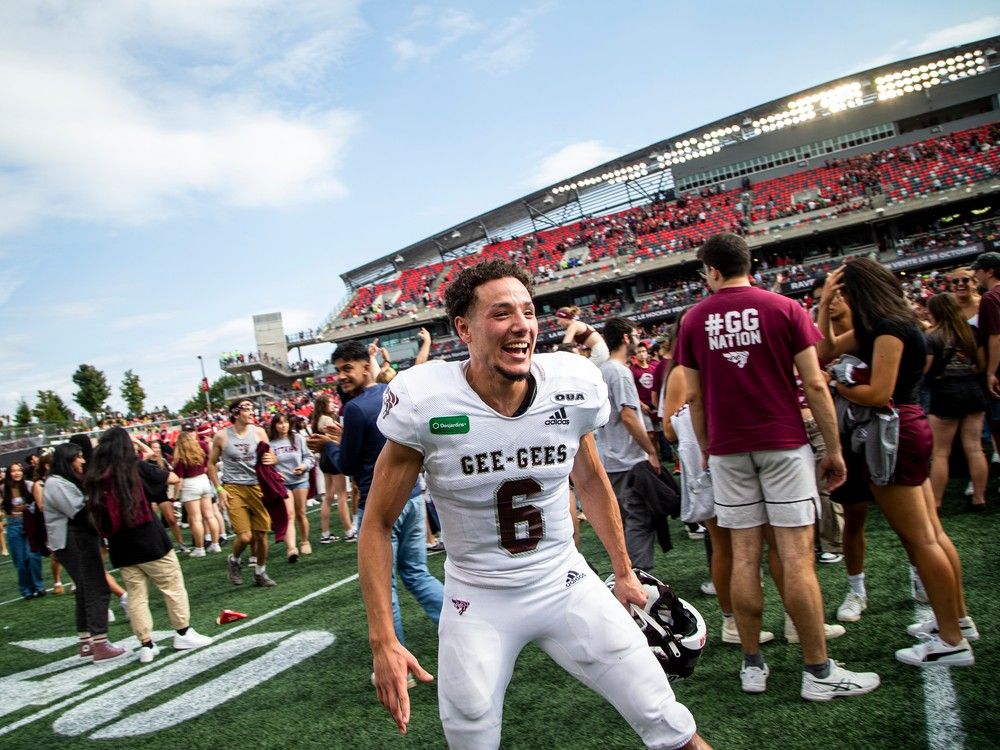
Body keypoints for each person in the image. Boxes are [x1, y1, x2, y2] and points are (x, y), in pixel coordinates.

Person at [360, 259, 710, 749]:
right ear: (464, 329)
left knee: (669, 721)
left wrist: (623, 571)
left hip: (564, 581)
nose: (522, 324)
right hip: (477, 596)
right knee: (470, 733)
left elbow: (591, 479)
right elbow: (376, 524)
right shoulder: (427, 401)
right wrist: (383, 639)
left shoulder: (568, 386)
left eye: (527, 311)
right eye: (501, 313)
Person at [677, 233, 878, 699]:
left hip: (728, 449)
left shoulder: (694, 319)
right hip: (783, 443)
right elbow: (815, 383)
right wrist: (833, 448)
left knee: (744, 557)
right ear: (749, 264)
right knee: (795, 558)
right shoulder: (785, 308)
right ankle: (818, 672)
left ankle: (752, 666)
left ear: (712, 271)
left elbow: (693, 397)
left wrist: (707, 448)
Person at [817, 259, 976, 667]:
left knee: (922, 540)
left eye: (845, 292)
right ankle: (956, 620)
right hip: (905, 427)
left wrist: (838, 383)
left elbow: (877, 393)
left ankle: (952, 640)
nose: (841, 299)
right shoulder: (887, 323)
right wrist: (824, 304)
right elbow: (824, 349)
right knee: (931, 534)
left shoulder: (889, 328)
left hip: (894, 432)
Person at [308, 339, 443, 657]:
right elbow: (379, 442)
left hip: (378, 506)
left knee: (383, 588)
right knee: (417, 573)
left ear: (366, 367)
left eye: (347, 369)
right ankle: (462, 629)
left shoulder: (354, 409)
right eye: (338, 370)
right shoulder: (391, 392)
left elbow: (348, 465)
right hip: (412, 498)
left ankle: (395, 659)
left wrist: (327, 446)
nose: (341, 376)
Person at [85, 427, 212, 663]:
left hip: (119, 544)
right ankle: (183, 633)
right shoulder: (135, 467)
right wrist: (144, 452)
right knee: (172, 586)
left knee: (136, 596)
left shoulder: (95, 476)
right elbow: (172, 478)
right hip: (148, 538)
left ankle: (146, 644)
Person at [44, 443, 126, 662]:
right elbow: (80, 513)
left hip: (75, 540)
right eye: (78, 457)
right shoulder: (56, 483)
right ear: (67, 460)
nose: (82, 461)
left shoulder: (60, 481)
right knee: (96, 588)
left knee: (84, 590)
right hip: (73, 540)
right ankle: (100, 643)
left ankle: (87, 643)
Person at [596, 316, 663, 574]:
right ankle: (642, 576)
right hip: (627, 459)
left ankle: (629, 573)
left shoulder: (602, 370)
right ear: (625, 337)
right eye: (635, 335)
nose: (637, 340)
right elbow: (628, 416)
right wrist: (651, 450)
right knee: (639, 518)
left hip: (610, 456)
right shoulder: (620, 372)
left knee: (623, 520)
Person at [924, 293, 988, 510]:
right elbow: (981, 365)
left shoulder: (932, 336)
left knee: (940, 452)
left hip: (945, 393)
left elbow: (925, 369)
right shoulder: (971, 332)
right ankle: (979, 498)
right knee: (975, 448)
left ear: (935, 312)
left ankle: (936, 502)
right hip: (972, 390)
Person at [207, 400, 279, 588]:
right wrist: (219, 490)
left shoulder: (259, 432)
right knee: (245, 536)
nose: (251, 412)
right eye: (247, 409)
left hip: (257, 486)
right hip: (233, 488)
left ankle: (260, 573)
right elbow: (211, 465)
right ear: (236, 414)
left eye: (252, 409)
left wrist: (272, 459)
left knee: (261, 535)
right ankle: (234, 560)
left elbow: (272, 457)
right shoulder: (222, 436)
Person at [268, 413, 316, 561]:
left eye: (285, 422)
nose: (283, 426)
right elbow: (268, 465)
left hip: (300, 480)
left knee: (301, 513)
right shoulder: (271, 444)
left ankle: (305, 541)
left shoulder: (298, 438)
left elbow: (310, 457)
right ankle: (291, 548)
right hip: (283, 483)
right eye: (279, 423)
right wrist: (276, 474)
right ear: (274, 426)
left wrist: (303, 466)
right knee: (289, 514)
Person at [172, 430, 223, 556]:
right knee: (210, 516)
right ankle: (215, 544)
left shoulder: (180, 459)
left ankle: (199, 549)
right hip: (204, 481)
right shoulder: (200, 452)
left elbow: (179, 480)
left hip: (190, 484)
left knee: (196, 519)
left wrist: (175, 497)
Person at [2, 462, 46, 598]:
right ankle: (26, 590)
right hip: (13, 525)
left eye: (19, 470)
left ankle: (39, 587)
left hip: (29, 523)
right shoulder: (3, 488)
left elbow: (39, 504)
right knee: (20, 561)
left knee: (33, 556)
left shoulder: (29, 485)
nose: (17, 473)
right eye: (13, 471)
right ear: (9, 474)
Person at [312, 393, 352, 543]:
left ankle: (325, 534)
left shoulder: (317, 419)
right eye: (330, 402)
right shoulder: (327, 419)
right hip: (332, 456)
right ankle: (349, 531)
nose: (333, 404)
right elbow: (335, 438)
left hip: (324, 458)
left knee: (328, 497)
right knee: (342, 495)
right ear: (323, 405)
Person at [32, 454, 66, 594]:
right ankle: (57, 581)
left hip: (63, 518)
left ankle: (75, 582)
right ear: (47, 466)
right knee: (56, 553)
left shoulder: (60, 479)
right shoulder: (39, 484)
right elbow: (41, 506)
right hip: (49, 521)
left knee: (71, 549)